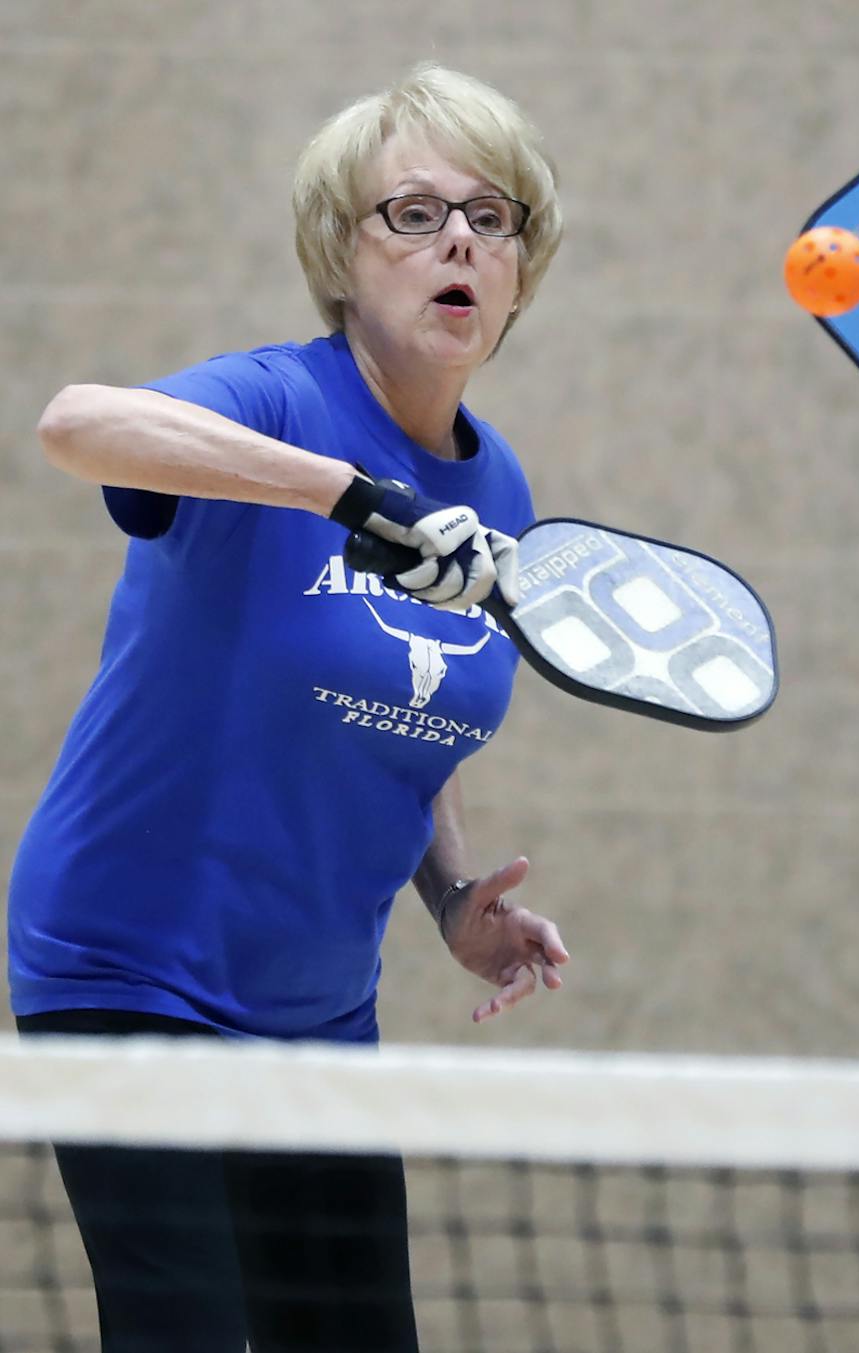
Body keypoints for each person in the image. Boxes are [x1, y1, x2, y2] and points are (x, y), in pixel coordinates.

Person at [9, 64, 574, 1351]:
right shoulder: (273, 402)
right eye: (412, 213)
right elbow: (76, 423)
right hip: (130, 969)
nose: (458, 243)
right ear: (340, 251)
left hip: (315, 1002)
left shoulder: (502, 488)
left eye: (493, 218)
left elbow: (401, 700)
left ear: (523, 269)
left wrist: (454, 899)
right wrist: (340, 494)